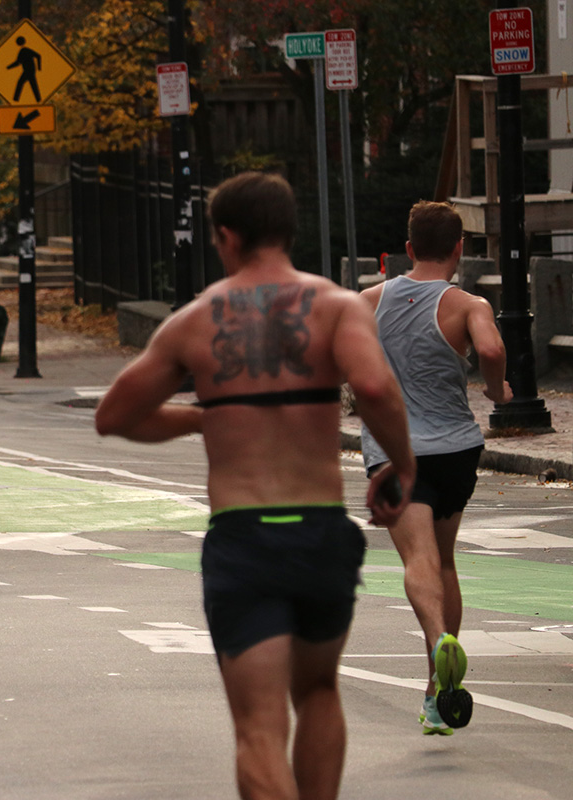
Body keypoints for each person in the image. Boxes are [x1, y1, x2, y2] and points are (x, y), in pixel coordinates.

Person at [95, 172, 415, 800]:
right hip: (320, 530)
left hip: (244, 538)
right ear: (288, 230)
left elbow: (115, 415)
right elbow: (376, 387)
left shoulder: (195, 320)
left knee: (258, 727)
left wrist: (208, 415)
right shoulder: (338, 305)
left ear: (228, 236)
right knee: (318, 690)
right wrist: (400, 467)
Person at [360, 201, 511, 735]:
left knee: (417, 560)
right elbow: (490, 348)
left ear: (408, 249)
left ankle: (437, 639)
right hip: (456, 450)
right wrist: (497, 390)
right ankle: (436, 696)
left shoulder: (368, 301)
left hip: (394, 451)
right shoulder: (469, 304)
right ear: (459, 249)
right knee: (444, 561)